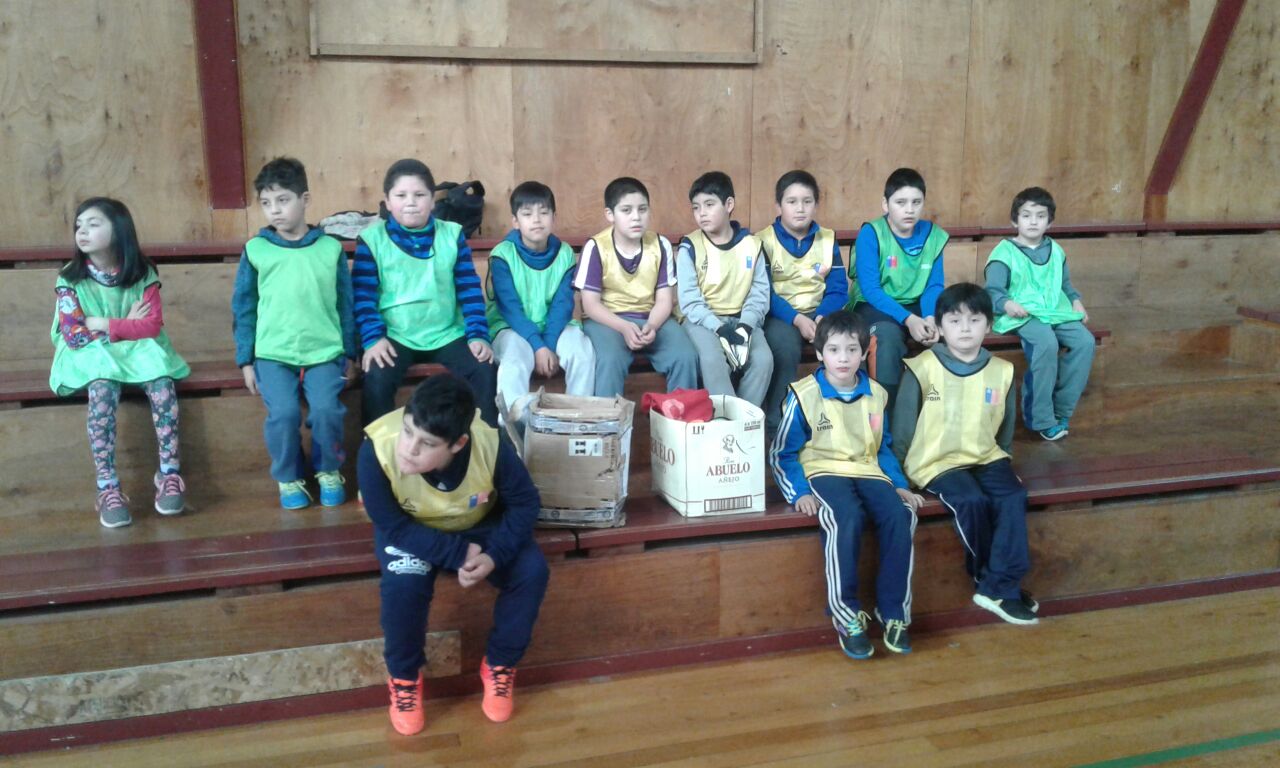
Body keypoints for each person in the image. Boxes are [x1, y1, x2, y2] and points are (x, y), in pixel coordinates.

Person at [359, 375, 549, 735]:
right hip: (411, 529)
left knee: (532, 571)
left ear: (459, 443)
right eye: (408, 431)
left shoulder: (490, 444)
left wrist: (493, 555)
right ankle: (404, 678)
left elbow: (525, 503)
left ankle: (500, 665)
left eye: (427, 443)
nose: (409, 449)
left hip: (479, 524)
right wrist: (457, 553)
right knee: (403, 588)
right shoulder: (376, 448)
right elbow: (391, 525)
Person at [770, 310, 924, 659]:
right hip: (822, 470)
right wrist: (799, 492)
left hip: (868, 470)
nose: (843, 358)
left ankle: (894, 612)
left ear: (865, 352)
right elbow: (782, 453)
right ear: (819, 353)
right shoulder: (803, 394)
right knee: (845, 517)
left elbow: (882, 447)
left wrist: (899, 483)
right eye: (834, 350)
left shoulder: (877, 394)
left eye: (852, 350)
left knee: (902, 515)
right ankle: (846, 615)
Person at [892, 283, 1038, 625]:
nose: (965, 329)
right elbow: (902, 428)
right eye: (955, 321)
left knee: (1013, 496)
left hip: (986, 456)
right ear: (940, 327)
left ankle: (998, 585)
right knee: (971, 501)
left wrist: (1004, 459)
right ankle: (996, 584)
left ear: (989, 325)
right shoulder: (922, 366)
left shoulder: (1002, 370)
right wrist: (898, 477)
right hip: (935, 462)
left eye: (975, 320)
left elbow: (1005, 429)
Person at [50, 197, 190, 528]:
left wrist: (103, 323)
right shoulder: (70, 278)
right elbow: (75, 335)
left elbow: (151, 327)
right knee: (102, 388)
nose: (82, 231)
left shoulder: (143, 272)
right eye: (79, 225)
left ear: (119, 230)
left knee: (162, 385)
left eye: (93, 224)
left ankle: (169, 473)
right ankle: (107, 486)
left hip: (137, 348)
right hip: (90, 353)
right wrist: (125, 324)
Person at [232, 157, 357, 509]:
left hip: (324, 353)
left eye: (283, 200)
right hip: (273, 355)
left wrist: (351, 352)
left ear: (305, 200)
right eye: (266, 202)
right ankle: (289, 477)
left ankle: (328, 470)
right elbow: (244, 307)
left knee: (327, 412)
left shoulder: (330, 249)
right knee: (284, 415)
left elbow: (345, 304)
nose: (275, 210)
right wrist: (245, 360)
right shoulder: (255, 250)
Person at [352, 158, 498, 426]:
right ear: (387, 202)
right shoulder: (372, 240)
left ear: (432, 201)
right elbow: (363, 297)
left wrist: (478, 334)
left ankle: (486, 446)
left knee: (484, 368)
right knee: (376, 374)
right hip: (395, 335)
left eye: (419, 195)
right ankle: (376, 448)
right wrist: (373, 339)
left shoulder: (452, 235)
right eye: (401, 196)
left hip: (446, 333)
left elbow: (469, 290)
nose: (410, 202)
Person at [985, 186, 1094, 440]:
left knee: (1085, 342)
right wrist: (1006, 304)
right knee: (1046, 343)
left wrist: (1076, 301)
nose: (1033, 221)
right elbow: (992, 291)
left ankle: (1061, 410)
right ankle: (1041, 418)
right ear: (1015, 220)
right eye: (1026, 215)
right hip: (1023, 315)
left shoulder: (1056, 250)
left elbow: (1065, 285)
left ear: (1050, 221)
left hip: (1056, 311)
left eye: (1040, 216)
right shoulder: (1004, 252)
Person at [573, 177, 698, 397]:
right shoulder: (596, 247)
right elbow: (590, 305)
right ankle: (609, 420)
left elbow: (664, 300)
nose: (636, 217)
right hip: (607, 320)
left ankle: (678, 418)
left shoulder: (660, 245)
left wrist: (652, 325)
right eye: (626, 210)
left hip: (651, 317)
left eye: (642, 209)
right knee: (609, 360)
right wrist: (623, 326)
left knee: (685, 356)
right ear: (610, 214)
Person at [486, 181, 594, 410]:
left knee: (582, 351)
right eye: (527, 214)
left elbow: (562, 305)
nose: (536, 220)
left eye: (543, 213)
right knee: (515, 358)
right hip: (511, 328)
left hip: (554, 327)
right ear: (515, 221)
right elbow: (510, 310)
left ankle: (578, 418)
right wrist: (538, 347)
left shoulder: (565, 253)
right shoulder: (502, 255)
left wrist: (549, 345)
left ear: (554, 218)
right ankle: (513, 423)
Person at [850, 167, 948, 411]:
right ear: (886, 204)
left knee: (951, 331)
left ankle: (938, 416)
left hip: (918, 306)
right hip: (874, 305)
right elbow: (871, 290)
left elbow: (934, 285)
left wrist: (929, 317)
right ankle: (886, 416)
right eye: (901, 202)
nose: (909, 209)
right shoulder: (871, 233)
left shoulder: (933, 235)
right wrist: (909, 320)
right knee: (887, 338)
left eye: (916, 202)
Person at [759, 170, 848, 435]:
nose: (800, 208)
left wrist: (821, 316)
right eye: (792, 201)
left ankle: (838, 420)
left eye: (807, 201)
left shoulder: (827, 239)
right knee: (786, 347)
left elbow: (838, 289)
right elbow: (765, 292)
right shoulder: (762, 240)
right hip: (780, 316)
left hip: (821, 313)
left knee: (845, 341)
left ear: (816, 205)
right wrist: (797, 319)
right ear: (778, 206)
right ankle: (777, 423)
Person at [676, 171, 773, 404]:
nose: (702, 213)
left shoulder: (752, 245)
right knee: (712, 359)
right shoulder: (690, 246)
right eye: (696, 207)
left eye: (709, 205)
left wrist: (745, 326)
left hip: (742, 320)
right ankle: (726, 420)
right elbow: (690, 301)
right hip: (703, 322)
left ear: (729, 204)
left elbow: (759, 294)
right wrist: (718, 328)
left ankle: (745, 417)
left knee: (763, 360)